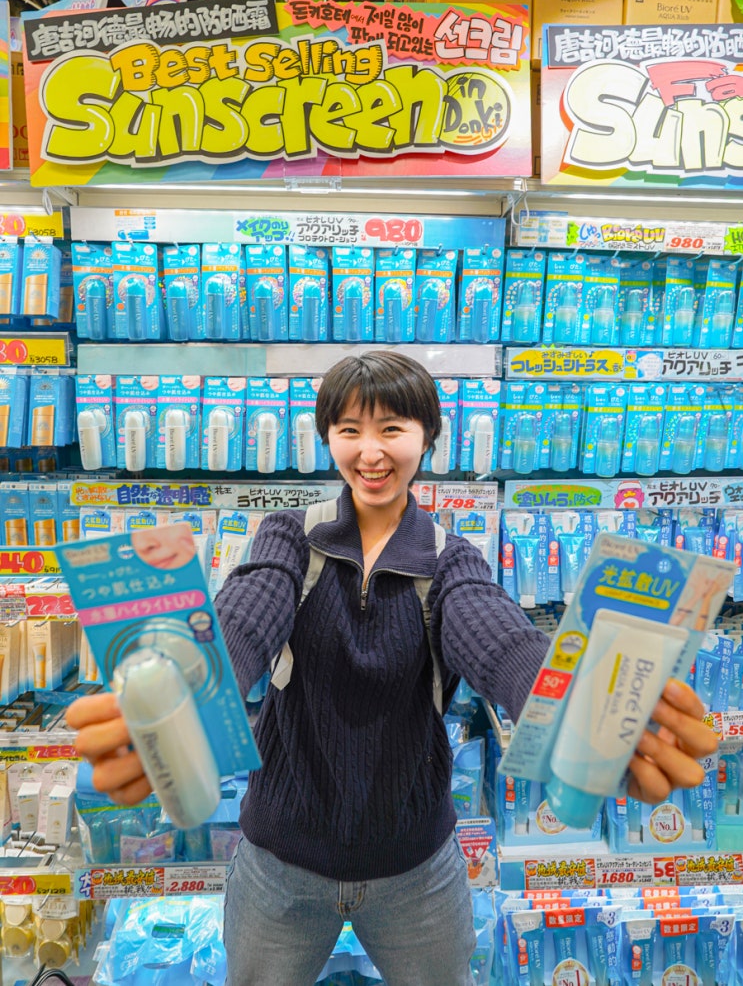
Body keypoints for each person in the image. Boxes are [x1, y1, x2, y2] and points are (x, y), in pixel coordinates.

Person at [66, 350, 717, 986]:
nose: (370, 451)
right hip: (280, 864)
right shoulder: (288, 535)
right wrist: (187, 687)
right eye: (349, 429)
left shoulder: (451, 560)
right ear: (326, 437)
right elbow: (246, 614)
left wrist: (568, 701)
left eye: (392, 428)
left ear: (427, 437)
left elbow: (496, 637)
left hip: (416, 868)